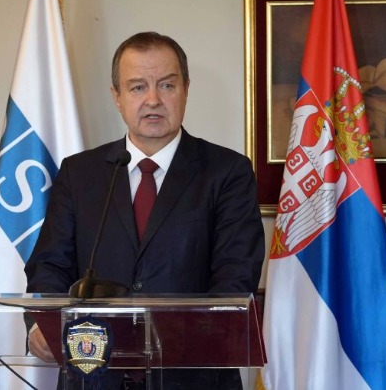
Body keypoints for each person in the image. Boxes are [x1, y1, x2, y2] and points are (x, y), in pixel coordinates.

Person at [25, 31, 265, 390]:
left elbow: (235, 276)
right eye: (137, 87)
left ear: (185, 89)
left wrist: (176, 342)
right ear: (117, 97)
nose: (153, 99)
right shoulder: (80, 173)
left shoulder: (227, 172)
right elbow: (50, 264)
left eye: (166, 85)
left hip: (191, 376)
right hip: (94, 372)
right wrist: (41, 323)